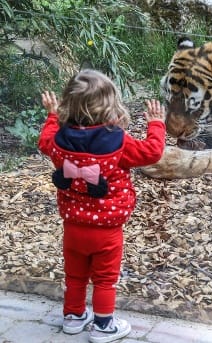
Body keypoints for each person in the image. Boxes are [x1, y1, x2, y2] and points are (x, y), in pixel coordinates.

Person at [38, 69, 166, 343]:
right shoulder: (119, 143)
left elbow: (44, 141)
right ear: (111, 105)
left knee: (75, 276)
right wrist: (156, 123)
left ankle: (73, 318)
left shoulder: (59, 141)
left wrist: (51, 115)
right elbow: (152, 152)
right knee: (105, 279)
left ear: (68, 104)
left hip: (73, 226)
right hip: (107, 229)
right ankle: (103, 327)